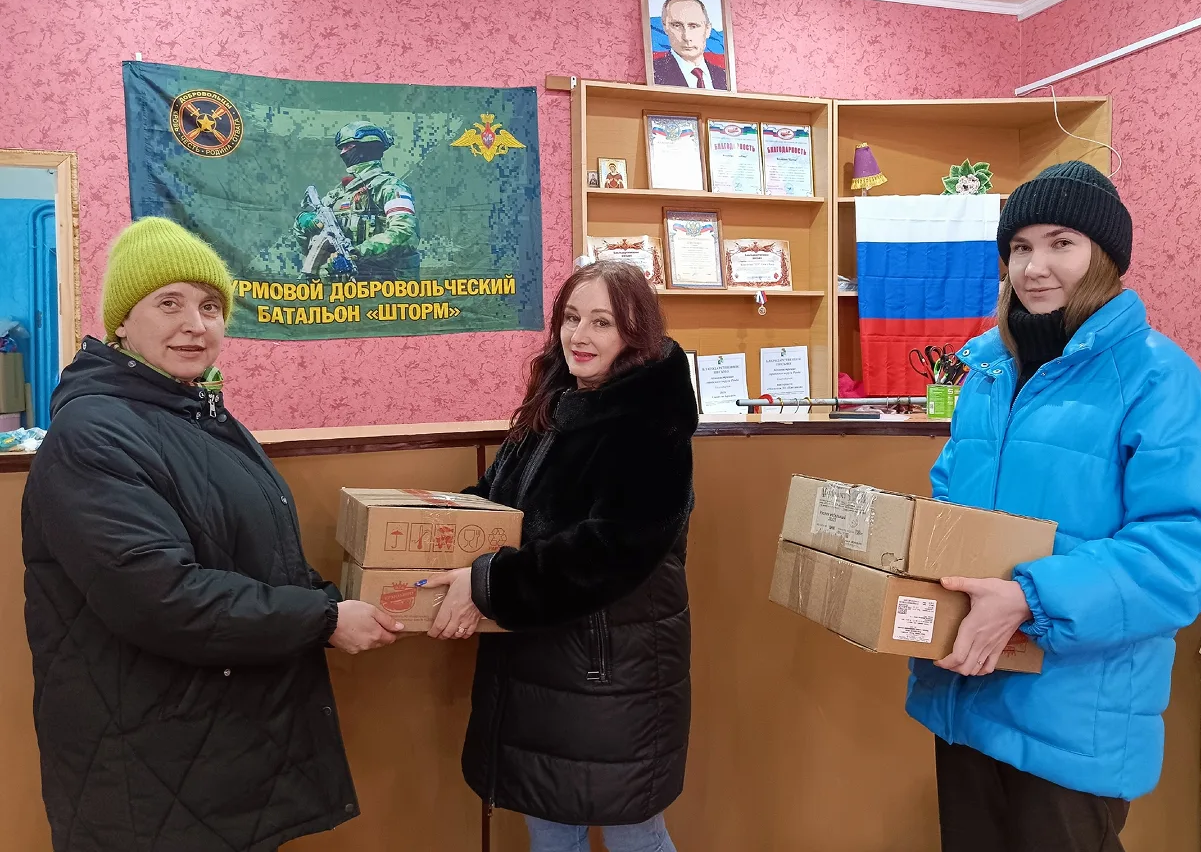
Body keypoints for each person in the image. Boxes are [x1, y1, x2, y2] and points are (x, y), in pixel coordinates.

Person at [22, 217, 404, 852]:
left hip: (214, 749)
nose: (195, 325)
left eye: (209, 306)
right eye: (168, 303)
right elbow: (159, 597)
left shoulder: (197, 414)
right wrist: (323, 620)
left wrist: (333, 603)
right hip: (146, 765)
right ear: (122, 322)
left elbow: (253, 558)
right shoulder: (93, 433)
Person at [905, 161, 1201, 852]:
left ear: (1104, 256)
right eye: (1020, 247)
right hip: (967, 694)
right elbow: (951, 497)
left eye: (1062, 243)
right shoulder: (987, 372)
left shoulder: (1158, 377)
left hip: (1076, 717)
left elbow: (1192, 544)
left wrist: (1031, 597)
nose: (1035, 267)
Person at [419, 260, 697, 852]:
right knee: (550, 829)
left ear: (635, 334)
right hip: (540, 663)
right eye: (572, 318)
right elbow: (500, 501)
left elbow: (607, 552)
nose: (580, 336)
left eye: (602, 322)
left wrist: (489, 584)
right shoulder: (558, 401)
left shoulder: (649, 424)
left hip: (609, 671)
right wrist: (436, 526)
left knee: (633, 834)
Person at [294, 121, 421, 279]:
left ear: (366, 148)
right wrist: (304, 221)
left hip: (384, 284)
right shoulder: (338, 194)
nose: (342, 153)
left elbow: (404, 232)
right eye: (342, 148)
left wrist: (356, 252)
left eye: (348, 146)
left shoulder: (390, 187)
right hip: (341, 286)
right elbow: (306, 237)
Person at [651, 0, 728, 90]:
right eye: (677, 25)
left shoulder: (724, 77)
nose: (686, 37)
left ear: (708, 30)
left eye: (693, 26)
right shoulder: (653, 72)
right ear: (665, 28)